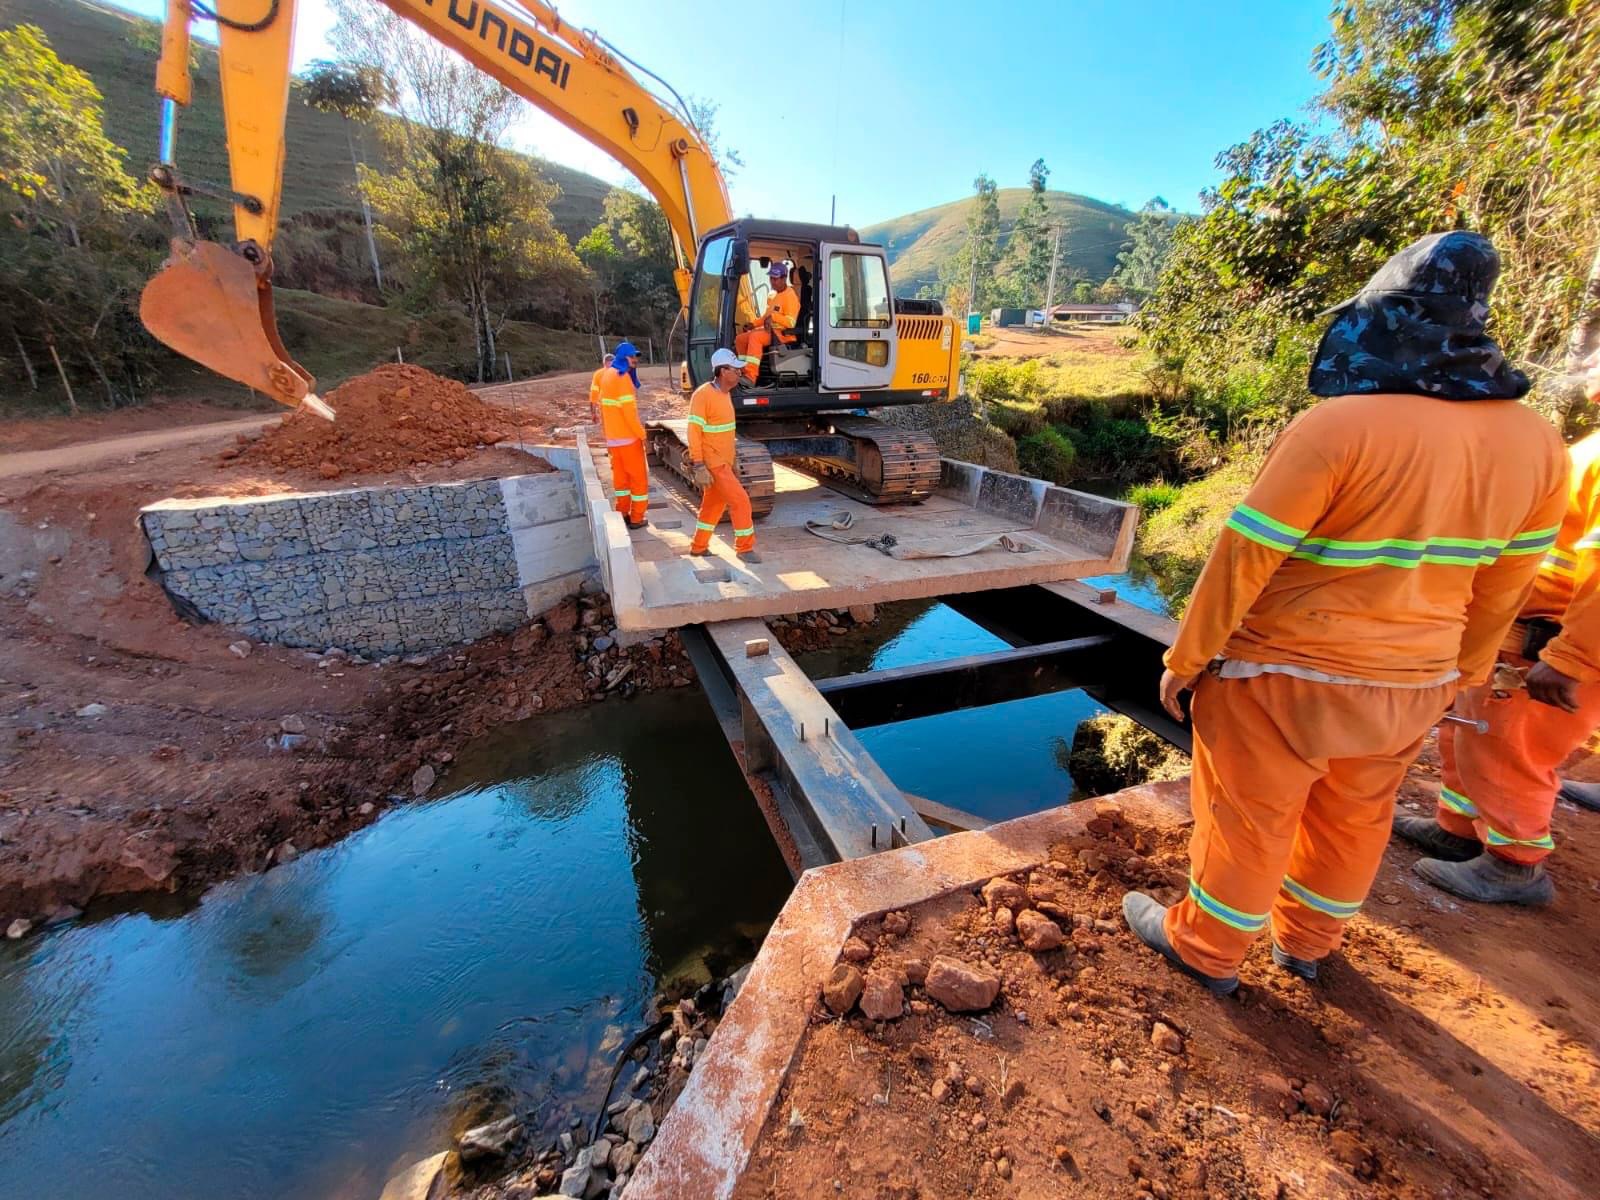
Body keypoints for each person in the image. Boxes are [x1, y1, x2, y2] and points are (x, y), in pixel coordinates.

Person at [1122, 231, 1568, 996]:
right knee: (1356, 816)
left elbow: (1245, 558)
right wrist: (1463, 676)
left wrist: (1185, 659)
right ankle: (1308, 943)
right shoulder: (1540, 446)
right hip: (1413, 680)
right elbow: (1505, 585)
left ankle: (1207, 949)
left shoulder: (1338, 427)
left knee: (1250, 814)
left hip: (1280, 674)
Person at [1395, 345, 1600, 900]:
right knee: (1470, 733)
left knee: (1512, 750)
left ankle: (1515, 862)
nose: (1590, 364)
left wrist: (1571, 659)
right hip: (1520, 634)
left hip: (1552, 645)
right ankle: (1457, 829)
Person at [687, 348, 759, 562]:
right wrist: (698, 464)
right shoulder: (702, 395)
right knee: (741, 501)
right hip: (713, 461)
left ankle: (698, 547)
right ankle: (744, 548)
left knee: (712, 506)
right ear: (721, 371)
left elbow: (726, 431)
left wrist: (734, 459)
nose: (739, 372)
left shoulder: (725, 394)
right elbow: (693, 432)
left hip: (724, 460)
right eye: (735, 369)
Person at [596, 342, 649, 528]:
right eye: (631, 356)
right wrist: (642, 435)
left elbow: (604, 410)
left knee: (621, 481)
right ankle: (637, 518)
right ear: (623, 358)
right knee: (638, 481)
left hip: (613, 440)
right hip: (628, 440)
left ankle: (622, 512)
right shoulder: (622, 378)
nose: (635, 360)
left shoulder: (608, 375)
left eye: (636, 356)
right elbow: (629, 414)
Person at [734, 262, 800, 384]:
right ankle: (743, 371)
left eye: (775, 279)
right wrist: (753, 324)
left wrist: (774, 317)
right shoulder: (776, 296)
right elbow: (765, 317)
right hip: (770, 332)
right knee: (740, 339)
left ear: (784, 278)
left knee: (755, 337)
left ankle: (751, 376)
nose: (772, 282)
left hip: (783, 335)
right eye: (771, 278)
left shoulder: (790, 296)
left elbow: (791, 323)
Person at [588, 351, 614, 424]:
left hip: (605, 410)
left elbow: (593, 395)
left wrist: (593, 413)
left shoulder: (598, 374)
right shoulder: (621, 373)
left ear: (604, 363)